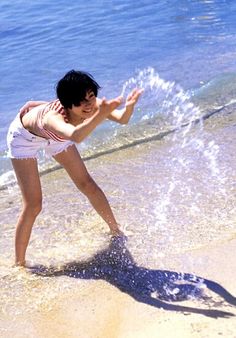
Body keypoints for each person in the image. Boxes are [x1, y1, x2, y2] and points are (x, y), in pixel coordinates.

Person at [7, 70, 143, 267]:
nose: (88, 104)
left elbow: (122, 119)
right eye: (81, 100)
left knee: (87, 183)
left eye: (91, 96)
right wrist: (101, 114)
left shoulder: (91, 106)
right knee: (34, 204)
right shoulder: (51, 118)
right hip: (25, 137)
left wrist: (129, 107)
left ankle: (116, 230)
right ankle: (19, 264)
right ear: (68, 103)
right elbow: (76, 136)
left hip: (59, 136)